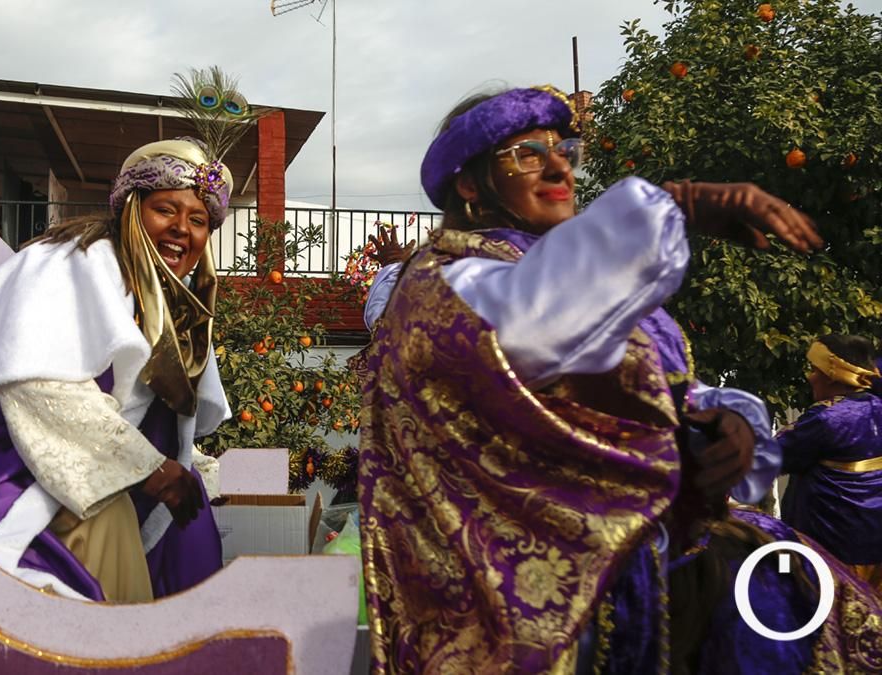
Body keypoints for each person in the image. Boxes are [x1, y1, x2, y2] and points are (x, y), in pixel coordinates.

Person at [358, 85, 882, 673]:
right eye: (528, 153)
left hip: (669, 568)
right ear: (471, 182)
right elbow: (538, 324)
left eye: (565, 151)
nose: (560, 166)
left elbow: (664, 380)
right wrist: (679, 202)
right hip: (538, 608)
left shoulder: (582, 276)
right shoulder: (449, 279)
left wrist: (728, 424)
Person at [0, 138, 231, 603]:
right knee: (110, 517)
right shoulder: (69, 264)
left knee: (190, 524)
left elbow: (144, 417)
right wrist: (149, 469)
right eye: (166, 210)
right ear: (132, 209)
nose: (182, 229)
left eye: (198, 220)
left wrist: (179, 468)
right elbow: (40, 389)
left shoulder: (171, 303)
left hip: (63, 453)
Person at [779, 334, 882, 592]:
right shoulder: (877, 408)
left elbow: (770, 456)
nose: (810, 377)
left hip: (828, 554)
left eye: (815, 369)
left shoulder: (827, 418)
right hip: (874, 549)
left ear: (833, 374)